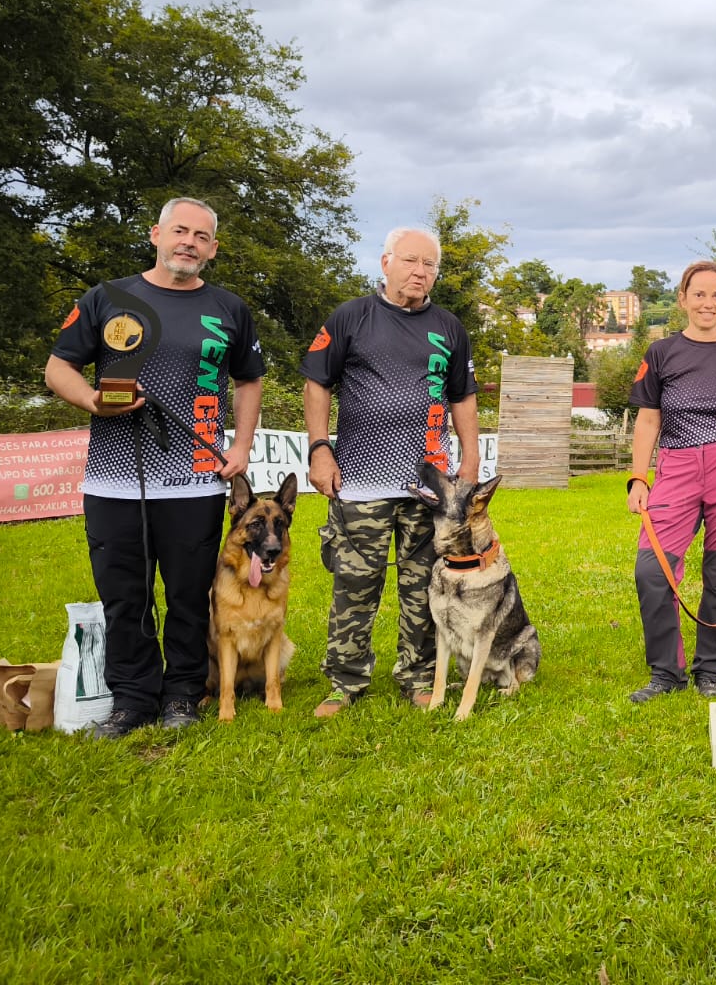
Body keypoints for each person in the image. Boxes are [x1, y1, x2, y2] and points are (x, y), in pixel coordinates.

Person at [46, 197, 264, 738]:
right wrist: (94, 401)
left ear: (212, 249)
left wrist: (240, 446)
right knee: (126, 595)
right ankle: (133, 699)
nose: (188, 242)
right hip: (114, 482)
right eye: (179, 231)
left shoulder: (230, 309)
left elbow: (249, 380)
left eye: (201, 236)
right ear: (156, 234)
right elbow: (58, 368)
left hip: (196, 482)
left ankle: (183, 695)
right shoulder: (108, 298)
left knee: (190, 596)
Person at [301, 227, 478, 718]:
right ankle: (344, 680)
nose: (420, 272)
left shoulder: (449, 327)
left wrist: (470, 458)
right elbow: (317, 383)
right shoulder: (351, 317)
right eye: (411, 261)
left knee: (425, 584)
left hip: (428, 485)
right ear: (386, 262)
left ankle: (419, 676)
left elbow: (462, 394)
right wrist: (320, 448)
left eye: (430, 265)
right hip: (358, 480)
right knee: (354, 583)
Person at [625, 260, 716, 701]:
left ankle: (712, 670)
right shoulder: (661, 353)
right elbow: (648, 421)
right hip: (678, 467)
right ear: (684, 299)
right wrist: (638, 477)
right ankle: (666, 673)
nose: (709, 303)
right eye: (700, 294)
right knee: (652, 570)